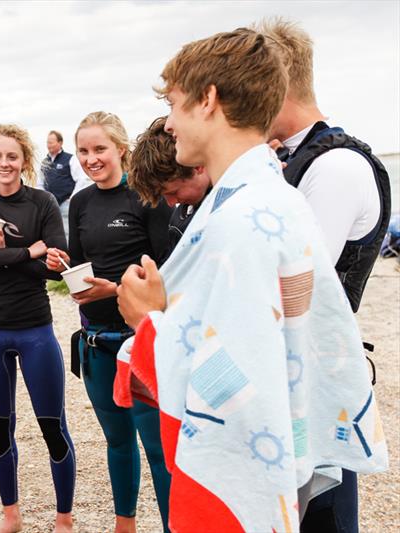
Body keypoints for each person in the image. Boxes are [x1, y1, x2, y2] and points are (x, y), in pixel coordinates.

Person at [117, 28, 387, 533]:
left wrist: (150, 322)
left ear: (208, 100)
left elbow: (241, 388)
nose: (169, 123)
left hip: (243, 485)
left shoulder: (244, 219)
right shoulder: (271, 196)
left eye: (174, 105)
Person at [256, 18, 393, 532]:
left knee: (325, 518)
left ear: (275, 85)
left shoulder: (335, 166)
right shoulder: (291, 159)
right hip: (293, 373)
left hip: (319, 380)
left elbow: (293, 280)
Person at [45, 111, 171, 533]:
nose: (90, 159)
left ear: (121, 148)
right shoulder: (80, 202)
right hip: (96, 341)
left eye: (99, 149)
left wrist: (114, 289)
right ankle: (125, 526)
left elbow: (166, 272)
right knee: (117, 442)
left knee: (157, 448)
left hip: (140, 340)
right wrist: (62, 268)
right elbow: (82, 267)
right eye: (83, 151)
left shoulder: (146, 196)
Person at [0, 124, 76, 533]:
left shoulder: (41, 202)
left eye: (12, 156)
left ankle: (64, 517)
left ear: (24, 160)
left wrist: (5, 255)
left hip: (34, 328)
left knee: (52, 426)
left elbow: (56, 262)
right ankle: (11, 514)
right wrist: (29, 251)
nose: (4, 164)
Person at [129, 116, 212, 259]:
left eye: (174, 192)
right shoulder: (180, 215)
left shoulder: (221, 209)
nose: (171, 203)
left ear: (196, 166)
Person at [41, 130, 91, 237]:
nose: (48, 145)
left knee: (67, 231)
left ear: (60, 143)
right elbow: (40, 183)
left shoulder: (70, 159)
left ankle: (68, 252)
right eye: (47, 142)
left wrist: (73, 197)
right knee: (51, 231)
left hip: (65, 203)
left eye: (51, 142)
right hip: (49, 204)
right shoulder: (45, 162)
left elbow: (81, 179)